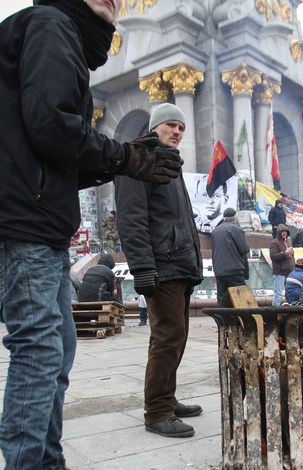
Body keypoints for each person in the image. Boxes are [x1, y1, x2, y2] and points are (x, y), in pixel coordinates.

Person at [0, 0, 183, 466]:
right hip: (20, 223)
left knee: (55, 351)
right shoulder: (50, 24)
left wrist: (121, 157)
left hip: (33, 224)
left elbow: (49, 152)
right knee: (39, 351)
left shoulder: (55, 35)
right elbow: (52, 125)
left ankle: (46, 459)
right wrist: (124, 158)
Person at [115, 103, 204, 438]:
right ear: (155, 127)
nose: (177, 132)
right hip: (161, 266)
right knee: (168, 336)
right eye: (171, 125)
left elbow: (180, 221)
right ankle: (157, 411)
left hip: (178, 265)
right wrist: (142, 268)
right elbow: (131, 219)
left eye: (181, 127)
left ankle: (167, 397)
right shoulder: (139, 160)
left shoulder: (171, 163)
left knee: (174, 336)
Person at [211, 208, 251, 306]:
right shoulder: (236, 229)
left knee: (222, 300)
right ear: (234, 219)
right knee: (241, 299)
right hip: (234, 270)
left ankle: (224, 321)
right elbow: (244, 249)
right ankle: (241, 321)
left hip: (219, 271)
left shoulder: (215, 231)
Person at [270, 224, 295, 306]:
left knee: (290, 292)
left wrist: (293, 265)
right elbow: (273, 256)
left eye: (286, 232)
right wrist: (285, 253)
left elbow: (292, 255)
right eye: (282, 232)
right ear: (279, 233)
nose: (284, 233)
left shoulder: (288, 241)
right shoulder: (274, 243)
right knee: (278, 294)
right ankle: (274, 312)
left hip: (289, 271)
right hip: (279, 272)